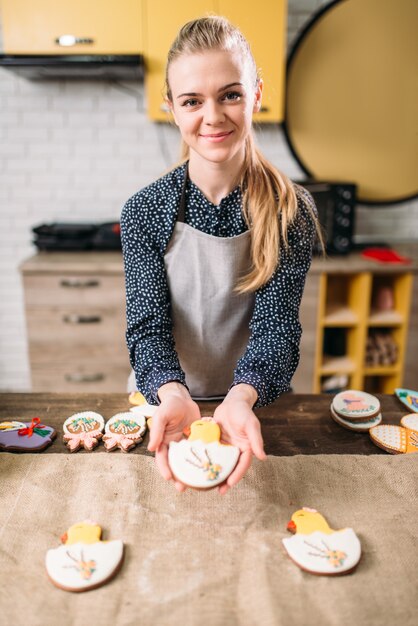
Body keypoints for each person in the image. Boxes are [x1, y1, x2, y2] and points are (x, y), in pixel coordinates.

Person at [120, 16, 321, 494]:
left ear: (255, 95)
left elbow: (277, 327)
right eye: (192, 101)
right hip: (165, 402)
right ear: (172, 108)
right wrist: (172, 392)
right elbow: (147, 326)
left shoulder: (290, 208)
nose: (212, 116)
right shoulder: (145, 209)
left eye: (230, 94)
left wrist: (241, 397)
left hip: (251, 404)